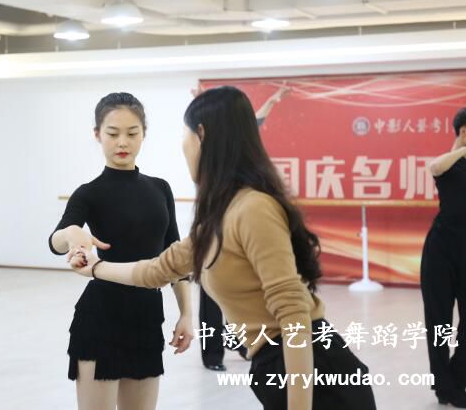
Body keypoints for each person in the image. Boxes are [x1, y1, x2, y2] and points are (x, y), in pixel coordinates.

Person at [67, 86, 377, 410]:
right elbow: (157, 269)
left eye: (184, 135)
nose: (183, 145)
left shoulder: (253, 208)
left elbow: (294, 314)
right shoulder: (220, 214)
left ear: (201, 135)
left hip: (314, 373)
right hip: (277, 365)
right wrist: (95, 267)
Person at [49, 93, 193, 410]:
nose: (122, 142)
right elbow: (56, 241)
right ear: (97, 134)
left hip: (147, 318)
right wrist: (70, 234)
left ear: (144, 133)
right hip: (100, 319)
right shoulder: (88, 193)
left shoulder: (160, 188)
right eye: (113, 133)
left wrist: (186, 313)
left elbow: (176, 257)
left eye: (132, 133)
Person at [194, 85, 292, 371]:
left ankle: (240, 340)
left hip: (237, 224)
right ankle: (212, 355)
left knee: (240, 290)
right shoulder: (204, 146)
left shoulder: (241, 148)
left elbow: (254, 120)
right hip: (212, 225)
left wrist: (272, 101)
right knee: (211, 295)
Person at [420, 108, 466, 408]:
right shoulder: (449, 163)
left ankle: (454, 377)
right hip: (440, 251)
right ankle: (444, 386)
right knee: (439, 321)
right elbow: (435, 167)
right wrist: (462, 149)